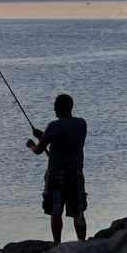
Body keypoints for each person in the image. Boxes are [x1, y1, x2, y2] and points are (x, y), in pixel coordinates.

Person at [26, 94, 87, 243]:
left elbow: (39, 150)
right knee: (78, 212)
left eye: (54, 107)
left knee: (55, 211)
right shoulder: (81, 124)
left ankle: (57, 243)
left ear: (59, 108)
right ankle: (82, 242)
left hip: (56, 175)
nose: (54, 109)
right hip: (76, 174)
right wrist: (44, 135)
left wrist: (31, 145)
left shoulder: (53, 126)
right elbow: (64, 139)